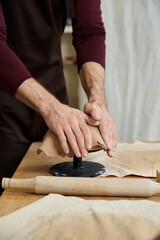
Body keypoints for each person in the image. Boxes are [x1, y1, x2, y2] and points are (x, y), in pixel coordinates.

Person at [0, 0, 118, 193]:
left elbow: (88, 30)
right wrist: (51, 108)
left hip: (53, 90)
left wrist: (98, 101)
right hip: (5, 98)